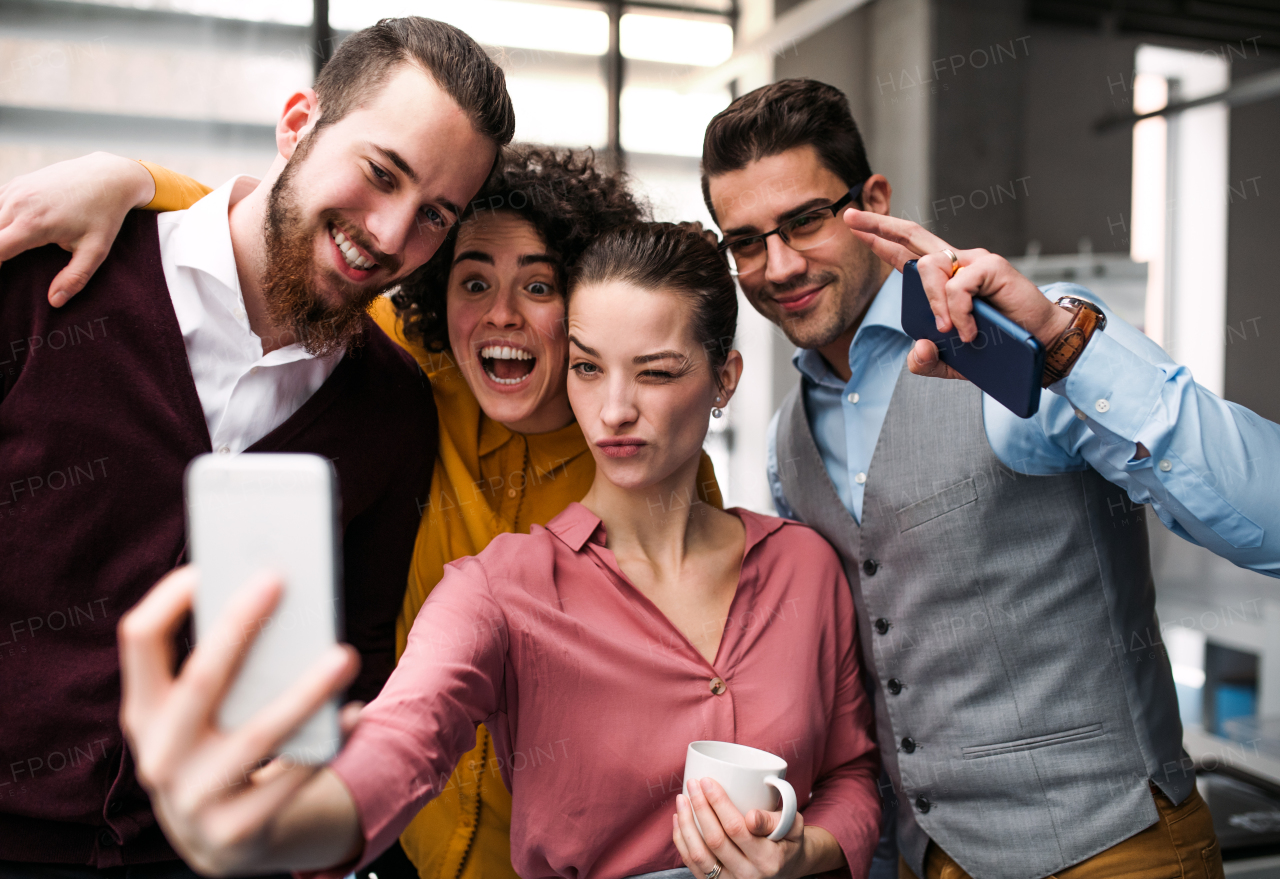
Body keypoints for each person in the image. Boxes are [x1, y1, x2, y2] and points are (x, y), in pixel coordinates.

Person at [1, 147, 723, 879]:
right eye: (473, 280)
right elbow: (280, 235)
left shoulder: (646, 453)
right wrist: (135, 179)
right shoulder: (421, 371)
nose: (501, 312)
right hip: (395, 838)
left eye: (540, 285)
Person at [115, 222, 883, 879]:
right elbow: (404, 740)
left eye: (656, 372)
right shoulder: (499, 590)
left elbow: (851, 773)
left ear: (725, 378)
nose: (614, 409)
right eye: (587, 367)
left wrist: (803, 848)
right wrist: (261, 826)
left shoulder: (804, 566)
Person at [699, 77, 1280, 879]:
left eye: (805, 220)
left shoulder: (1036, 337)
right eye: (747, 242)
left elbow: (1271, 518)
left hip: (1113, 849)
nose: (780, 264)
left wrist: (1059, 343)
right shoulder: (786, 442)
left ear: (873, 199)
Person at [0, 17, 513, 875]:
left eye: (432, 215)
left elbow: (354, 663)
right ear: (297, 123)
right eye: (380, 173)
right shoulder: (46, 282)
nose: (389, 236)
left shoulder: (392, 410)